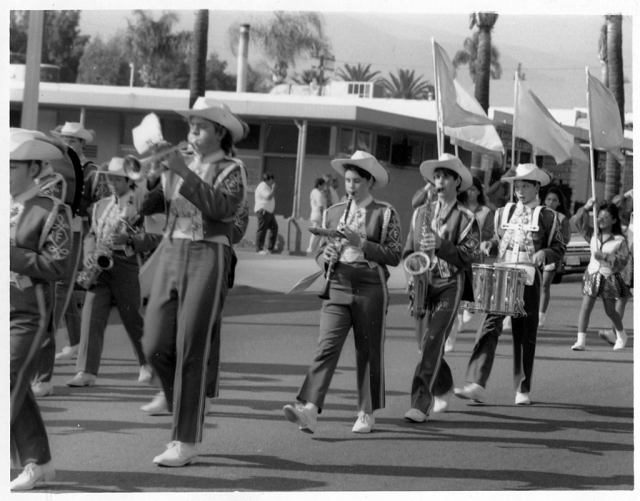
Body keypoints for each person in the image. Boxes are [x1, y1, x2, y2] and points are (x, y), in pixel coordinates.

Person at [138, 97, 247, 466]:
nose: (192, 132)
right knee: (152, 343)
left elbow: (223, 208)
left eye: (200, 126)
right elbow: (144, 205)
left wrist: (183, 171)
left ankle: (185, 439)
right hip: (170, 252)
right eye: (191, 126)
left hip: (207, 254)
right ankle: (186, 403)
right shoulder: (179, 161)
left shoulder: (232, 168)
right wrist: (152, 175)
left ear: (220, 132)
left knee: (190, 345)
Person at [283, 150, 402, 434]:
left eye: (357, 181)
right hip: (337, 283)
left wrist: (360, 242)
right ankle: (310, 409)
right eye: (347, 180)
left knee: (368, 350)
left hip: (371, 285)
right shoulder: (333, 212)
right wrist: (328, 256)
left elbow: (395, 254)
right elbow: (320, 255)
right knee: (326, 346)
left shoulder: (385, 213)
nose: (351, 186)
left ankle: (366, 411)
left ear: (370, 182)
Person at [455, 163, 566, 406]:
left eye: (526, 185)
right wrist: (490, 245)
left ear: (537, 187)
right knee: (489, 325)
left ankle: (522, 387)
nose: (520, 190)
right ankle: (477, 383)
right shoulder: (503, 212)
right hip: (503, 273)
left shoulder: (548, 216)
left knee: (525, 333)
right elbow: (498, 239)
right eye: (518, 185)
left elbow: (559, 248)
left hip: (528, 276)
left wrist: (545, 253)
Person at [10, 129, 74, 490]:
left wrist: (12, 254)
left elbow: (58, 266)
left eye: (12, 166)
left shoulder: (52, 211)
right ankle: (40, 462)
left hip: (28, 313)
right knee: (17, 387)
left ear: (34, 167)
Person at [65, 158, 160, 388]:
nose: (112, 183)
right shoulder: (100, 205)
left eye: (118, 179)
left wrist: (128, 239)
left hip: (126, 264)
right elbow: (91, 235)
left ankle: (147, 365)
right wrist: (89, 253)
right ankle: (86, 371)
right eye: (110, 178)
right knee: (91, 315)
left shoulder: (141, 204)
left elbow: (155, 237)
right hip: (99, 266)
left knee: (132, 318)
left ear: (129, 180)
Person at [403, 154, 480, 422]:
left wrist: (440, 245)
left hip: (450, 284)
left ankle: (419, 403)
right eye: (436, 176)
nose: (439, 181)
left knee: (434, 340)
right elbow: (408, 251)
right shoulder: (421, 212)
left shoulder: (467, 217)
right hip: (423, 283)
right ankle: (444, 386)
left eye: (445, 176)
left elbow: (468, 256)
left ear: (457, 181)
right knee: (426, 346)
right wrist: (412, 275)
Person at [50, 122, 108, 361]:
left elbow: (102, 204)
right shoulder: (55, 164)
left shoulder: (91, 170)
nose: (66, 143)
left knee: (63, 285)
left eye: (72, 140)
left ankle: (45, 338)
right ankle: (75, 341)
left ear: (82, 143)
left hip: (78, 230)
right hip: (56, 228)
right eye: (63, 138)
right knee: (63, 287)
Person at [569, 197, 630, 351]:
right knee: (586, 307)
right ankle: (580, 341)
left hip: (608, 277)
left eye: (606, 217)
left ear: (614, 220)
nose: (601, 220)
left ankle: (621, 334)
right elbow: (576, 222)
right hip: (592, 275)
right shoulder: (593, 234)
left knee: (610, 310)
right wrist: (586, 207)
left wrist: (605, 256)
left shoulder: (619, 240)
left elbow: (622, 261)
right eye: (599, 216)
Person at [445, 175, 495, 352]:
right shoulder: (458, 208)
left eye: (474, 189)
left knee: (472, 289)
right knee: (456, 291)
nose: (470, 192)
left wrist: (479, 235)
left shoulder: (486, 212)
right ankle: (454, 324)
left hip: (476, 255)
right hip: (459, 254)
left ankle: (468, 309)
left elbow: (489, 232)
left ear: (479, 191)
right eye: (468, 189)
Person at [538, 186, 571, 327]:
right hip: (535, 254)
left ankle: (541, 316)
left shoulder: (562, 218)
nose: (551, 202)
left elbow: (565, 239)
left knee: (545, 285)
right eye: (549, 199)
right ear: (544, 200)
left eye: (554, 200)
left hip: (551, 255)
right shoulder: (538, 214)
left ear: (559, 203)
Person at [254, 172, 277, 255]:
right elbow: (268, 197)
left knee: (274, 228)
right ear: (269, 179)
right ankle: (259, 248)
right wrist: (273, 189)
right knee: (262, 229)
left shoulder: (267, 187)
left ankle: (270, 248)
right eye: (272, 180)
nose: (273, 182)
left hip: (269, 212)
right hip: (263, 211)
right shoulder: (263, 186)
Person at [306, 177, 327, 254]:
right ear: (319, 185)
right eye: (323, 185)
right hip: (319, 215)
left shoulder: (313, 192)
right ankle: (310, 249)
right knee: (316, 234)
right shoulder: (318, 193)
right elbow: (320, 207)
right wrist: (323, 217)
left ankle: (314, 249)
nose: (324, 187)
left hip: (314, 214)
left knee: (319, 234)